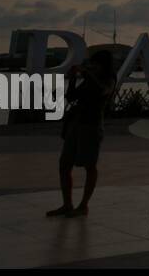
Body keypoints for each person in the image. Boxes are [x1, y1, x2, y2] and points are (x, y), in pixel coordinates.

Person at [47, 50, 116, 217]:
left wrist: (87, 74)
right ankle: (67, 203)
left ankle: (83, 205)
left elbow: (102, 91)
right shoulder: (88, 80)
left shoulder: (108, 79)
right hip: (76, 124)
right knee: (64, 164)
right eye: (91, 64)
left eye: (95, 64)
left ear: (103, 65)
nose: (92, 67)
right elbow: (71, 97)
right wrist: (72, 79)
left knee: (89, 165)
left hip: (91, 126)